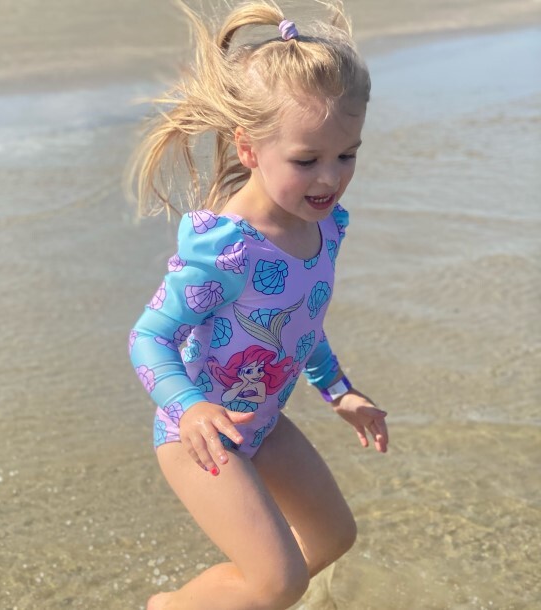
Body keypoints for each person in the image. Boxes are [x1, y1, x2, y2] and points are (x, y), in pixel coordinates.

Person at [127, 1, 389, 608]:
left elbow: (300, 322)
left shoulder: (324, 228)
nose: (330, 178)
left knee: (330, 536)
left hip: (265, 424)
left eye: (347, 154)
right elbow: (148, 339)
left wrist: (339, 390)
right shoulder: (226, 250)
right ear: (248, 149)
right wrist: (190, 410)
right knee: (280, 582)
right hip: (199, 436)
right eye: (306, 160)